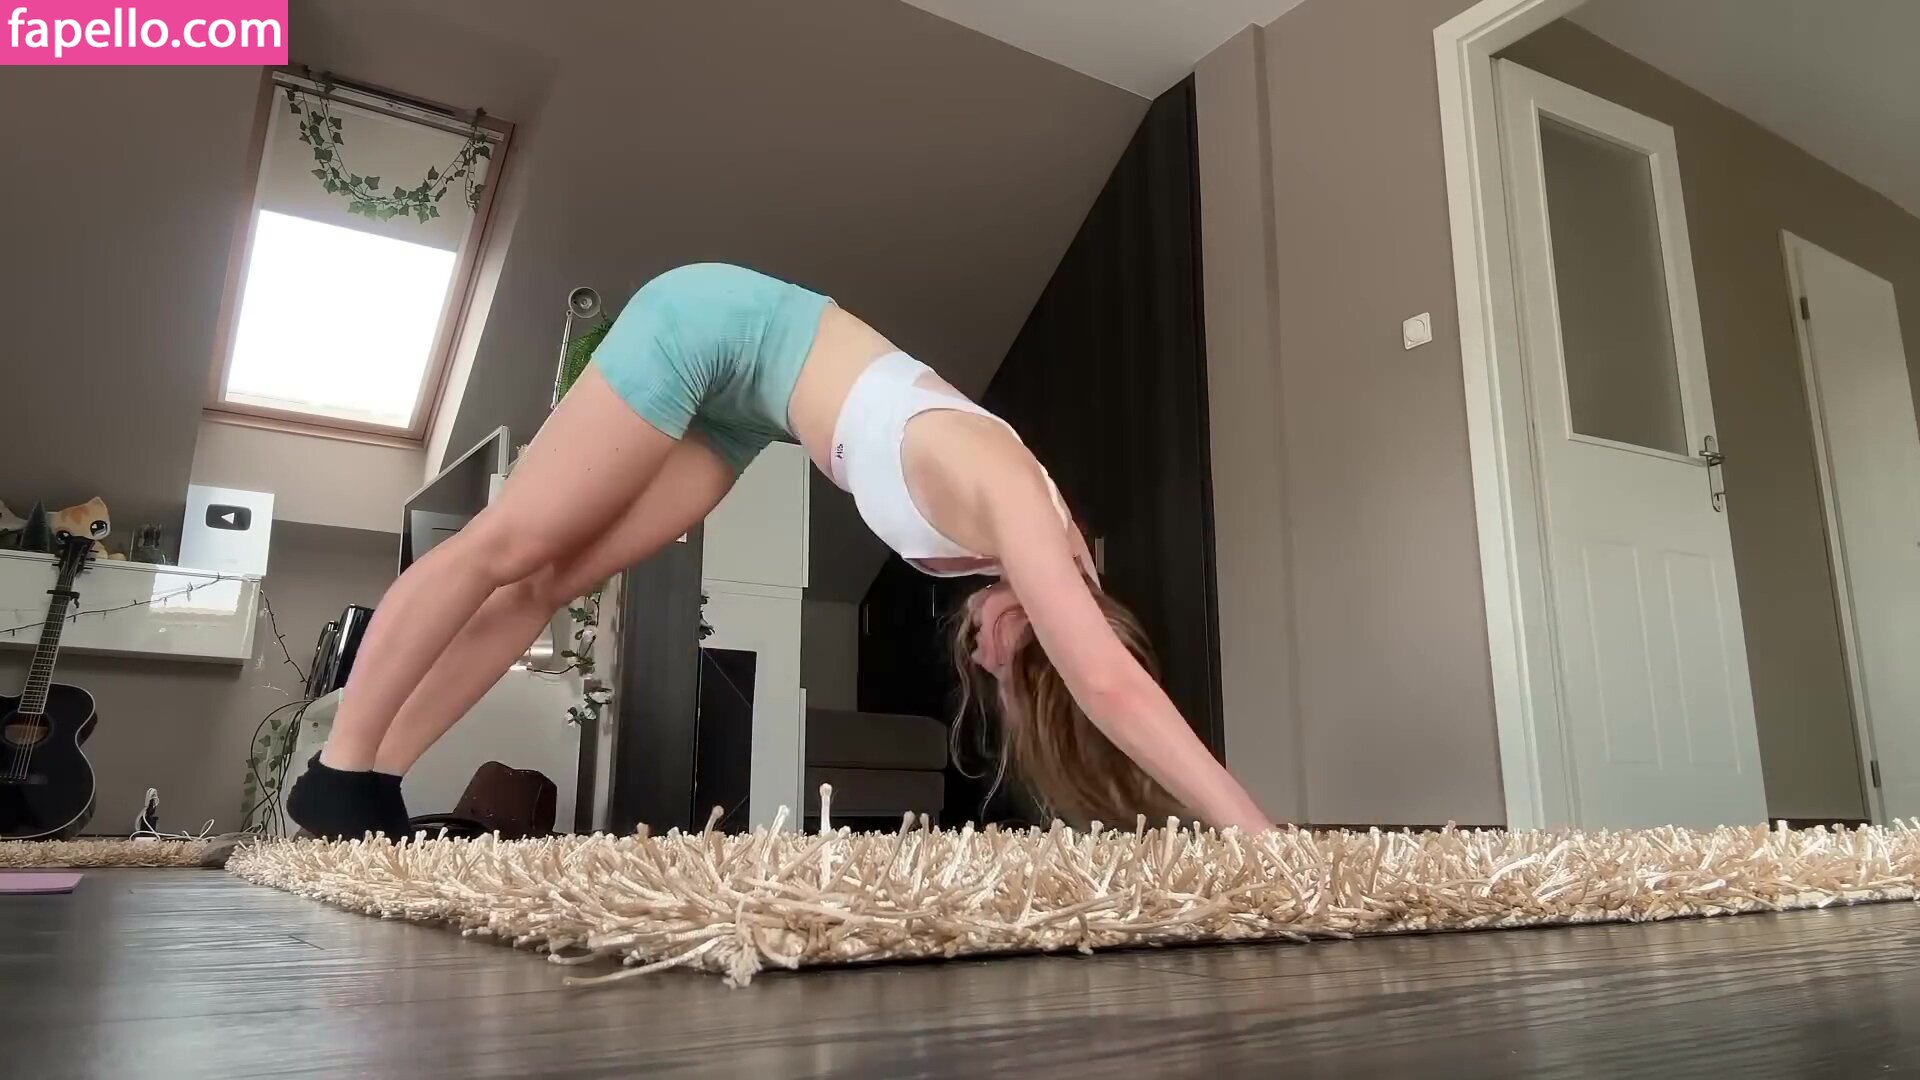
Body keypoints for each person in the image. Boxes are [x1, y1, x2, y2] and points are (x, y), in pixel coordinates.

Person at [286, 263, 1270, 838]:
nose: (978, 655)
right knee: (509, 541)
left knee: (551, 583)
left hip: (747, 415)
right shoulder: (1015, 505)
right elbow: (1108, 683)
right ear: (1046, 626)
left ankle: (377, 782)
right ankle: (342, 768)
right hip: (717, 328)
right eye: (1005, 661)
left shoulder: (1026, 563)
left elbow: (1086, 681)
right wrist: (1259, 837)